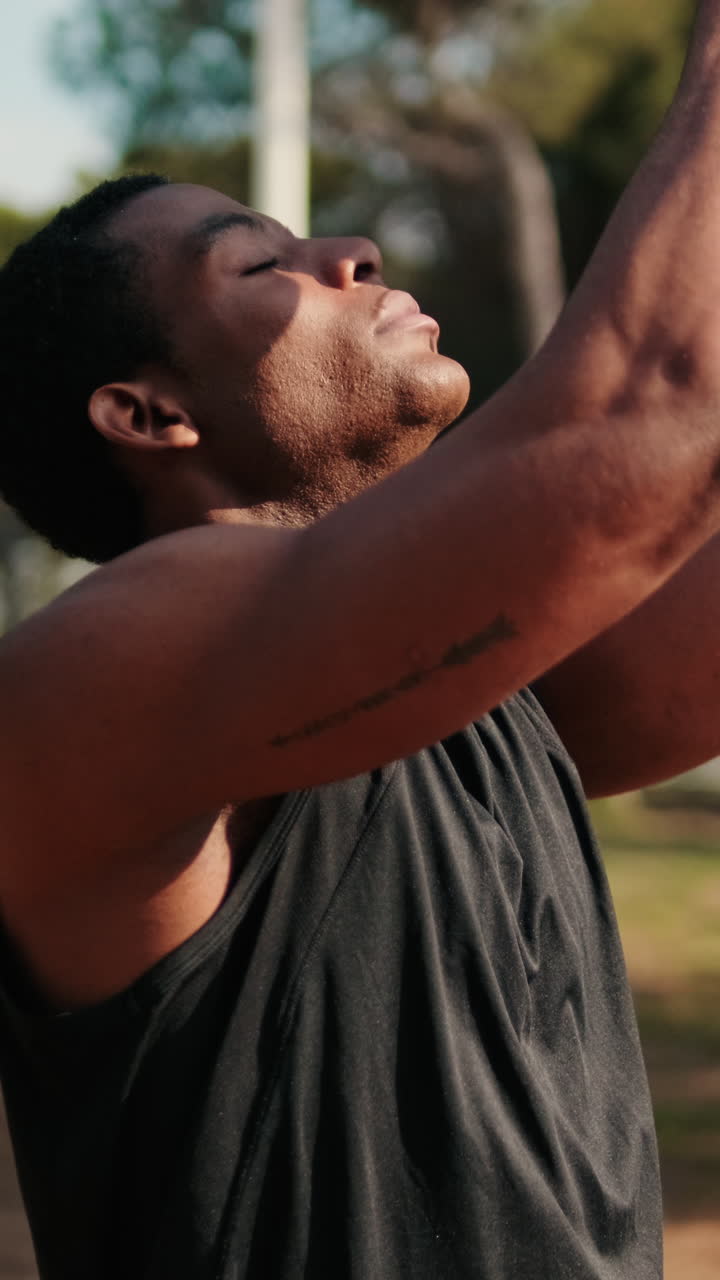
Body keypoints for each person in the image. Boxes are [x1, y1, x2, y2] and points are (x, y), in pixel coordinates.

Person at [1, 4, 720, 1276]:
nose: (352, 250)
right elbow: (653, 421)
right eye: (257, 261)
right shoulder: (90, 682)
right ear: (149, 412)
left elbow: (672, 475)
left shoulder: (479, 684)